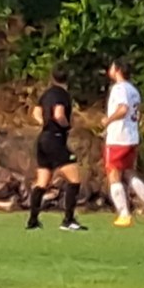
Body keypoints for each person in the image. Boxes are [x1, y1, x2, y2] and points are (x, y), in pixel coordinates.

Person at [102, 59, 144, 227]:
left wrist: (108, 120)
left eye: (112, 66)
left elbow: (123, 109)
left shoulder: (119, 88)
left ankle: (124, 213)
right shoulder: (133, 90)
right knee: (129, 173)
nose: (110, 69)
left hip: (118, 137)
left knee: (113, 173)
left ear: (118, 70)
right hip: (131, 136)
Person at [26, 65, 85, 231]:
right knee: (75, 178)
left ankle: (33, 220)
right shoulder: (62, 94)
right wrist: (66, 125)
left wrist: (44, 123)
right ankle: (68, 220)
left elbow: (36, 112)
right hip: (55, 139)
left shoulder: (46, 94)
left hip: (43, 139)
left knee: (42, 181)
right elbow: (59, 114)